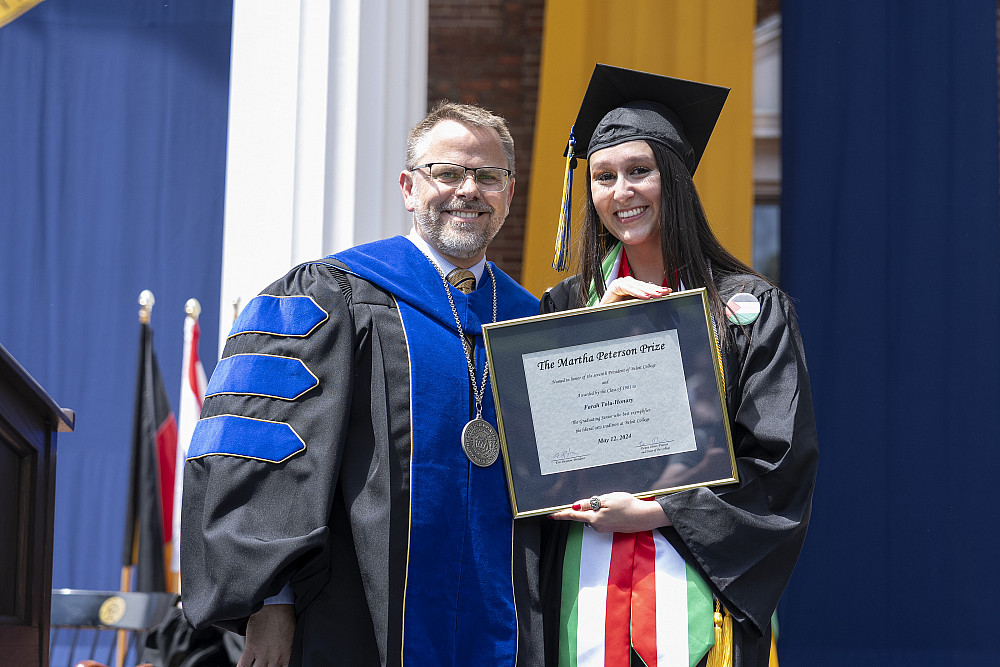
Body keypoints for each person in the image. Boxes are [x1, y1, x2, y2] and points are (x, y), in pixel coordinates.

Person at [180, 101, 544, 666]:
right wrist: (268, 603)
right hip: (354, 619)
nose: (468, 190)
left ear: (509, 193)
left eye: (487, 176)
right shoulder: (335, 295)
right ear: (408, 186)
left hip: (506, 621)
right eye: (447, 173)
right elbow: (263, 457)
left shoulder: (531, 321)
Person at [539, 65, 818, 667]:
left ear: (676, 178)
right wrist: (589, 332)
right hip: (580, 595)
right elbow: (535, 449)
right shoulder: (564, 307)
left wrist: (656, 509)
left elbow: (779, 462)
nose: (622, 192)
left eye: (640, 171)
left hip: (694, 592)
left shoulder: (746, 309)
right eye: (605, 176)